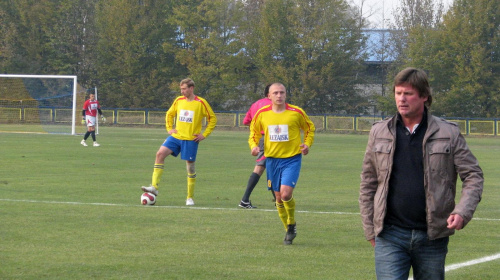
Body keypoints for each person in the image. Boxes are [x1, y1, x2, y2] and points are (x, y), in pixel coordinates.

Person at [359, 67, 484, 279]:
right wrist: (370, 228)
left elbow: (473, 175)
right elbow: (368, 183)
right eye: (398, 93)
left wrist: (462, 212)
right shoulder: (379, 132)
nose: (401, 99)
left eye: (408, 93)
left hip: (432, 236)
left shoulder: (448, 133)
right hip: (390, 234)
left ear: (424, 96)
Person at [248, 82, 315, 245]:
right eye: (276, 93)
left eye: (282, 92)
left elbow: (309, 128)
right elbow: (254, 132)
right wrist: (254, 146)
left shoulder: (296, 112)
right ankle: (288, 229)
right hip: (271, 160)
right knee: (278, 199)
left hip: (292, 159)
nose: (279, 96)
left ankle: (291, 222)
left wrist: (307, 144)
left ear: (286, 94)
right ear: (269, 96)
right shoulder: (262, 114)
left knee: (285, 194)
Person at [142, 78, 217, 206]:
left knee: (190, 167)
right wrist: (169, 128)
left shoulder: (201, 103)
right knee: (160, 154)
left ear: (191, 88)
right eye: (181, 89)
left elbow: (213, 119)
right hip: (176, 137)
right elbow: (169, 114)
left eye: (184, 89)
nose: (182, 91)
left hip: (191, 139)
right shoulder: (178, 100)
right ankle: (154, 187)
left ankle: (189, 197)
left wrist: (204, 134)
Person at [238, 83, 274, 209]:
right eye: (276, 92)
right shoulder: (273, 105)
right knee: (263, 167)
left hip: (260, 139)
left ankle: (277, 199)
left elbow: (246, 121)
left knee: (266, 166)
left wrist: (256, 130)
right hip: (271, 138)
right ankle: (245, 199)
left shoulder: (255, 104)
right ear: (269, 94)